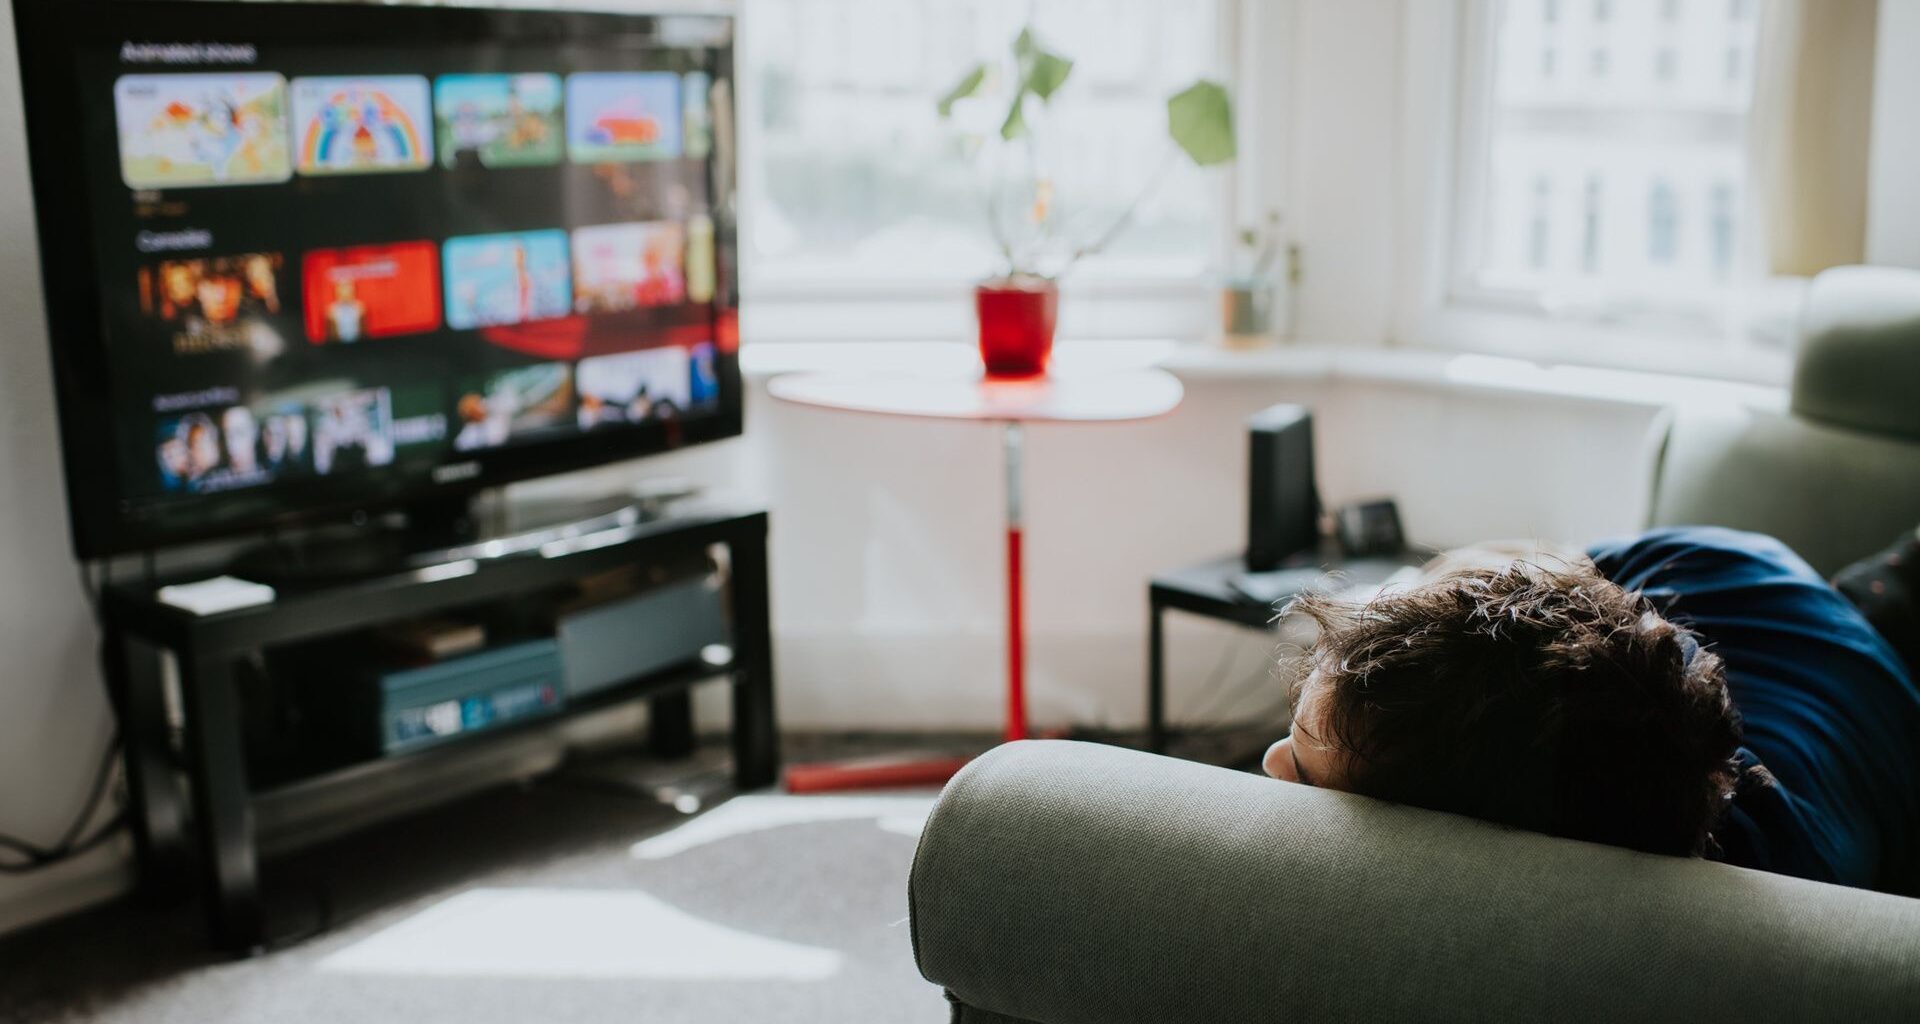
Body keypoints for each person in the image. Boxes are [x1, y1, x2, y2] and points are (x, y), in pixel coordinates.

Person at [1263, 526, 1920, 891]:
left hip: (1807, 626)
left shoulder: (1800, 882)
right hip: (1723, 571)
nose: (1268, 762)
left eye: (1308, 774)